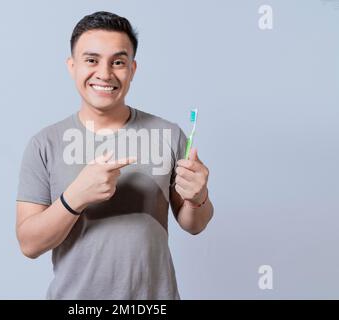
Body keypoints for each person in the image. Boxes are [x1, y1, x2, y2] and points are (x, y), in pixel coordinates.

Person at [16, 11, 214, 300]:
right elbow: (29, 244)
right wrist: (76, 197)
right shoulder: (44, 143)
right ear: (72, 66)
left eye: (118, 62)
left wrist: (200, 198)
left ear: (132, 69)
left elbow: (193, 224)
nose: (105, 73)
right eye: (91, 60)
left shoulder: (169, 134)